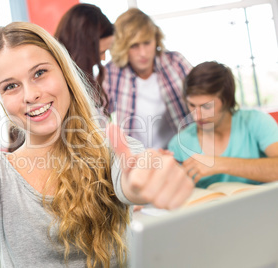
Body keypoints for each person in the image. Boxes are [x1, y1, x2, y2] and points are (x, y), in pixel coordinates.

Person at [0, 22, 193, 268]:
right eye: (11, 86)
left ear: (64, 71)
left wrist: (142, 181)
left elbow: (132, 177)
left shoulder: (112, 148)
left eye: (39, 73)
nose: (31, 94)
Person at [168, 61, 278, 189]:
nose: (197, 116)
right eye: (192, 105)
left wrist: (219, 164)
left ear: (227, 101)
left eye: (206, 106)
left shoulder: (257, 121)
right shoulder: (179, 143)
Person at [103, 8, 192, 150]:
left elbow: (203, 99)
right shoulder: (111, 73)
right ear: (123, 47)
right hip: (138, 159)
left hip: (179, 153)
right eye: (134, 46)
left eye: (147, 43)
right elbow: (96, 115)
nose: (143, 53)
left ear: (156, 40)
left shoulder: (175, 62)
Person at [54, 3, 113, 115]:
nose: (104, 59)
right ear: (82, 49)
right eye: (100, 52)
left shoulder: (85, 78)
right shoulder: (59, 84)